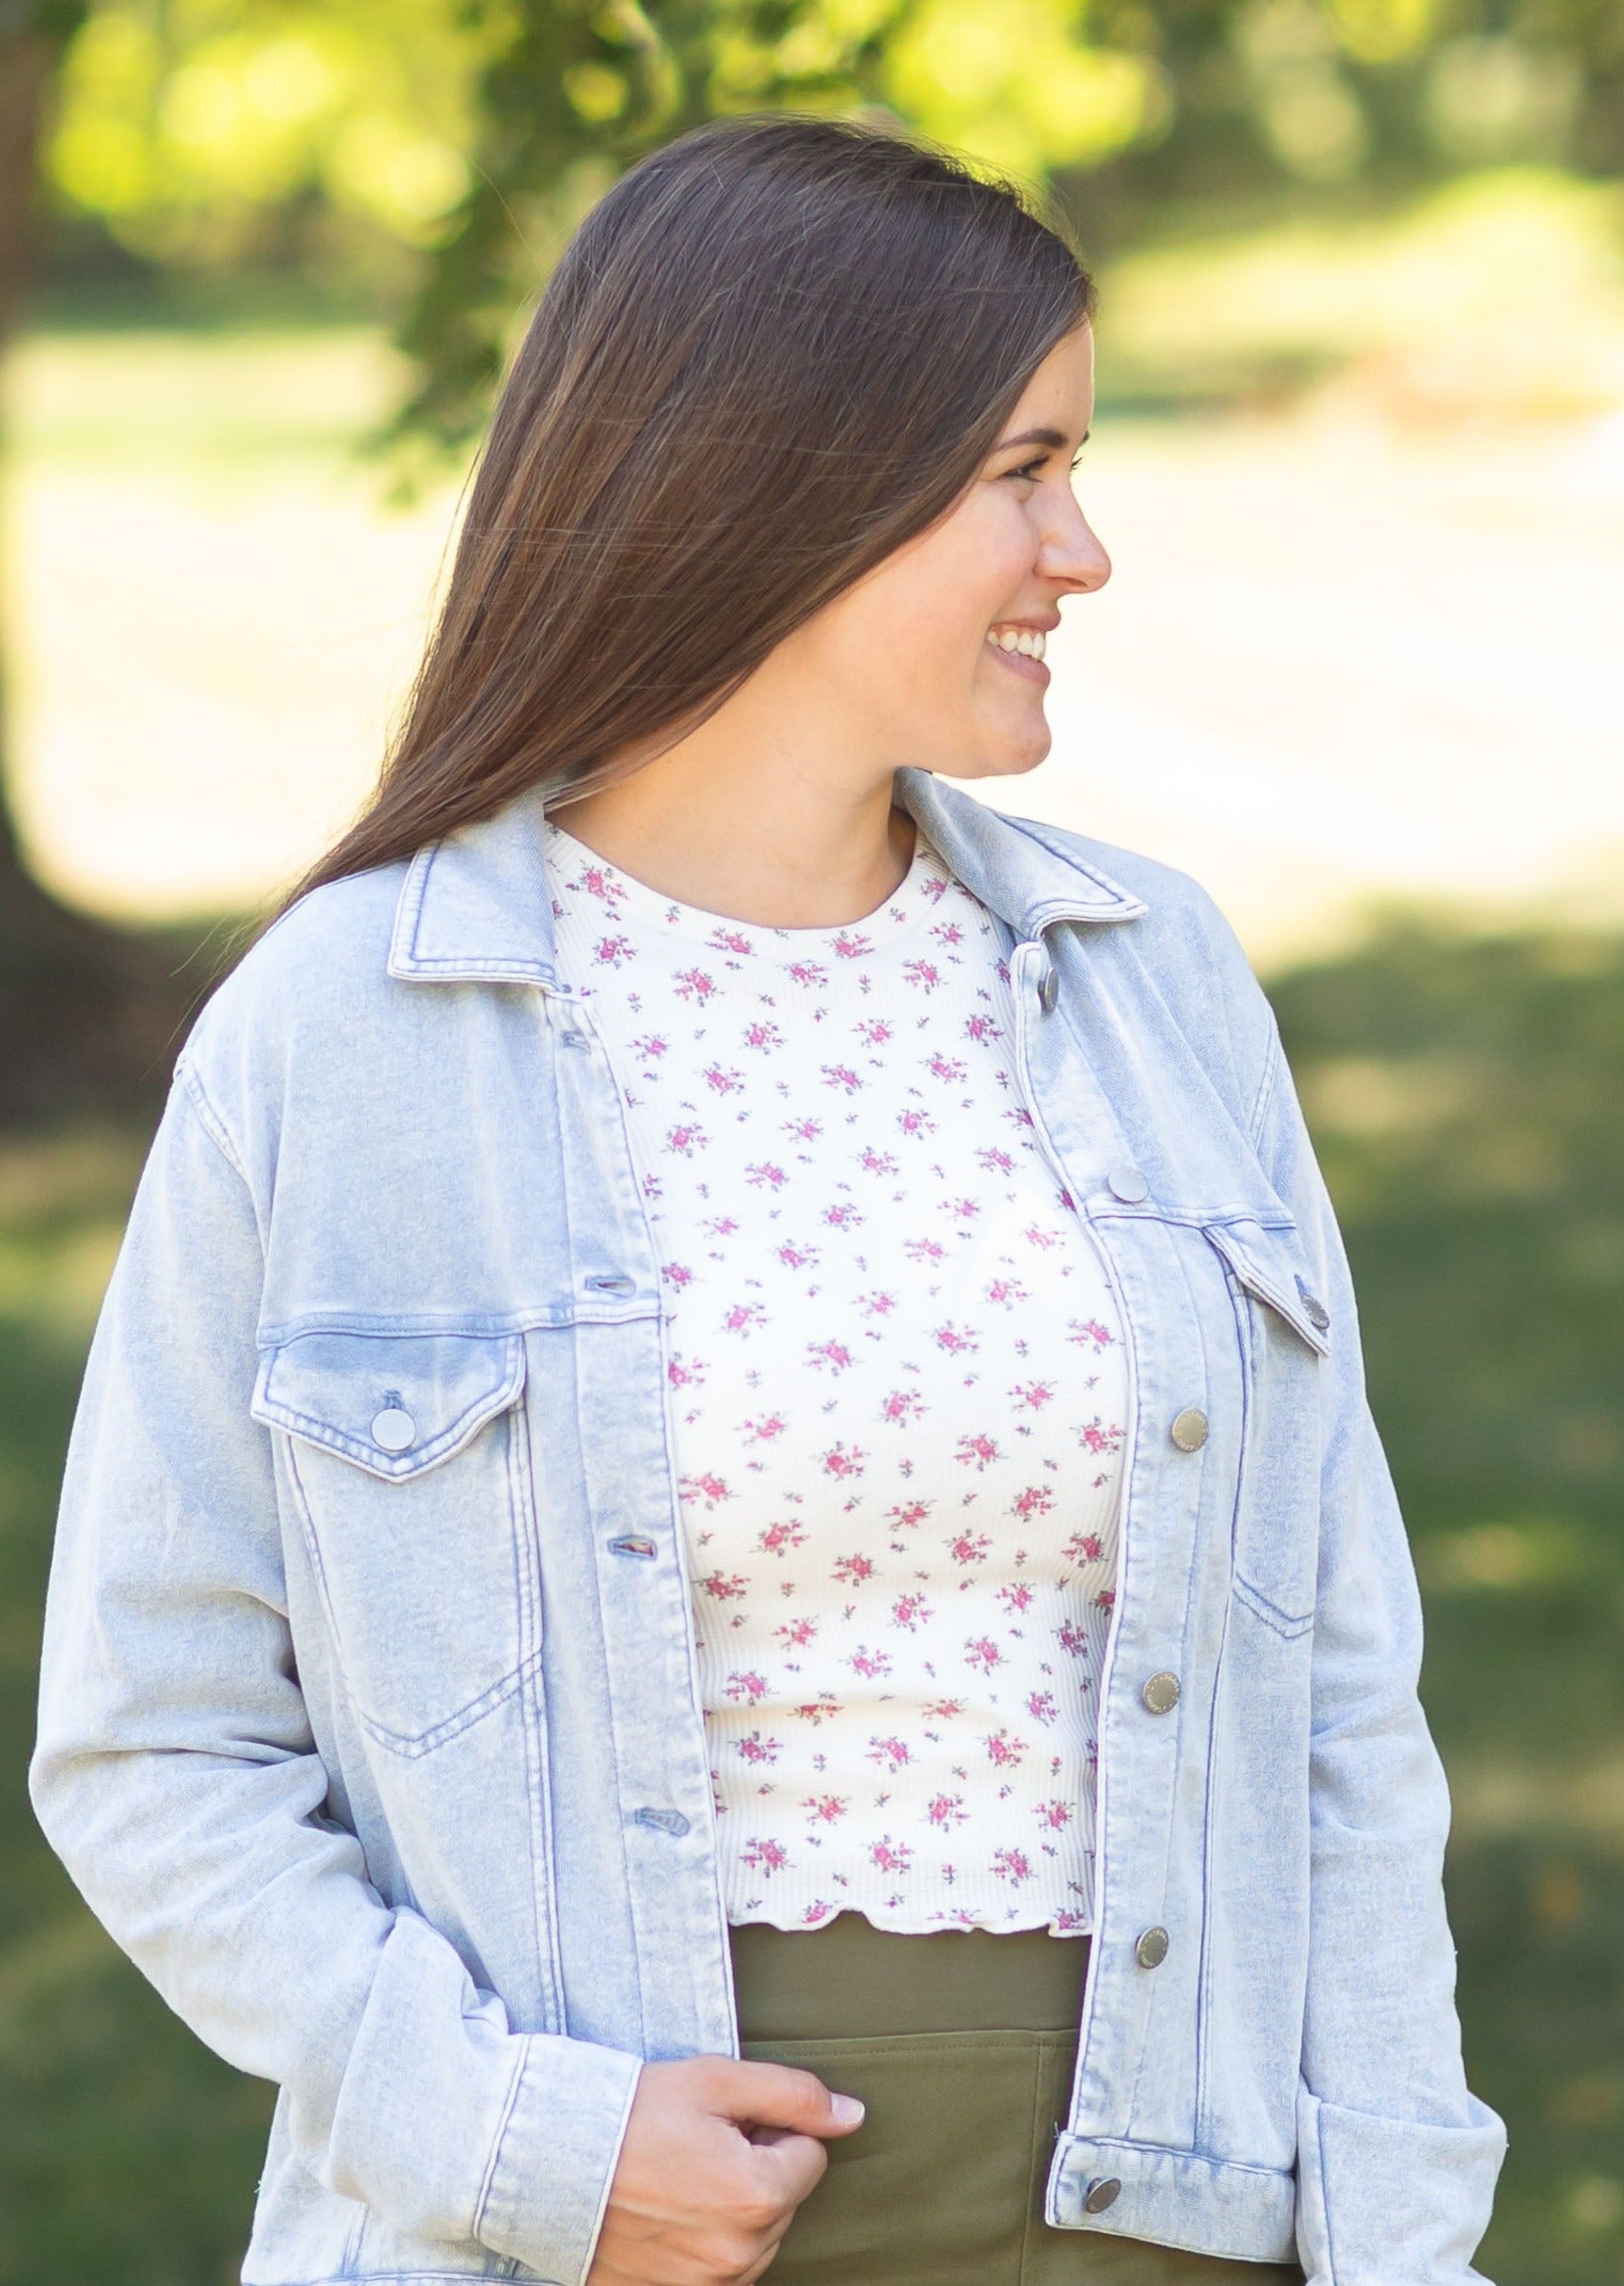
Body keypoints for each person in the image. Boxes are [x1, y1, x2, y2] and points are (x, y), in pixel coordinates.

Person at [31, 114, 1505, 2286]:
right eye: (1021, 469)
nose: (1078, 549)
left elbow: (1332, 1705)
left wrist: (1400, 2237)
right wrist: (523, 2141)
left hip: (1174, 2209)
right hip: (601, 2230)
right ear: (780, 484)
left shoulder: (1151, 983)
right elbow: (155, 1741)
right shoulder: (342, 1035)